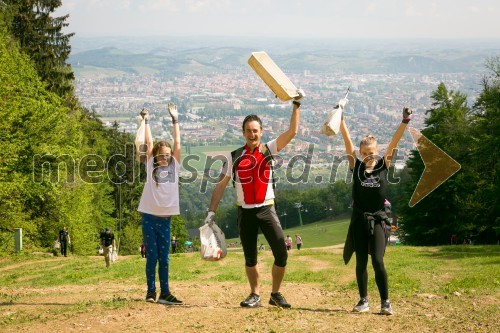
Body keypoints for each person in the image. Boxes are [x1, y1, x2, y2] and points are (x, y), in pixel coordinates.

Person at [204, 91, 303, 309]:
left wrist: (296, 104)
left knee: (281, 253)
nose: (252, 134)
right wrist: (211, 212)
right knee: (250, 258)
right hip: (245, 211)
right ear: (243, 132)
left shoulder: (269, 149)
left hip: (267, 209)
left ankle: (275, 294)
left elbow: (293, 131)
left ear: (261, 132)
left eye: (255, 130)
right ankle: (255, 294)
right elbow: (220, 186)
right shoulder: (234, 156)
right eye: (248, 131)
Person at [340, 103, 413, 316]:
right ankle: (363, 300)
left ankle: (385, 302)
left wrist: (405, 121)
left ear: (377, 152)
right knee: (361, 260)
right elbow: (347, 141)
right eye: (364, 153)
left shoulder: (383, 165)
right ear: (360, 153)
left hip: (379, 219)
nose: (368, 156)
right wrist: (341, 118)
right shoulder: (356, 167)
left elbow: (395, 141)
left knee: (378, 260)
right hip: (359, 219)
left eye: (371, 152)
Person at [137, 104, 183, 305]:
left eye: (167, 154)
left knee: (164, 259)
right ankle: (150, 292)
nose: (164, 157)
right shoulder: (150, 166)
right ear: (155, 155)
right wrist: (146, 121)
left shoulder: (175, 166)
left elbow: (178, 143)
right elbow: (148, 141)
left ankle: (165, 292)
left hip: (165, 221)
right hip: (148, 217)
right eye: (161, 154)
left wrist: (175, 120)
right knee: (152, 257)